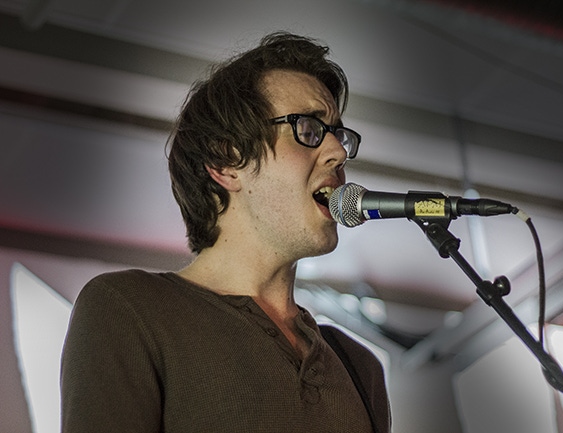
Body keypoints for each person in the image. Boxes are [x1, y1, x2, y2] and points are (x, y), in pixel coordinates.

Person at [60, 32, 391, 432]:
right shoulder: (129, 309)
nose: (337, 151)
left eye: (338, 134)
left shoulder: (358, 367)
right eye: (308, 128)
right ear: (227, 162)